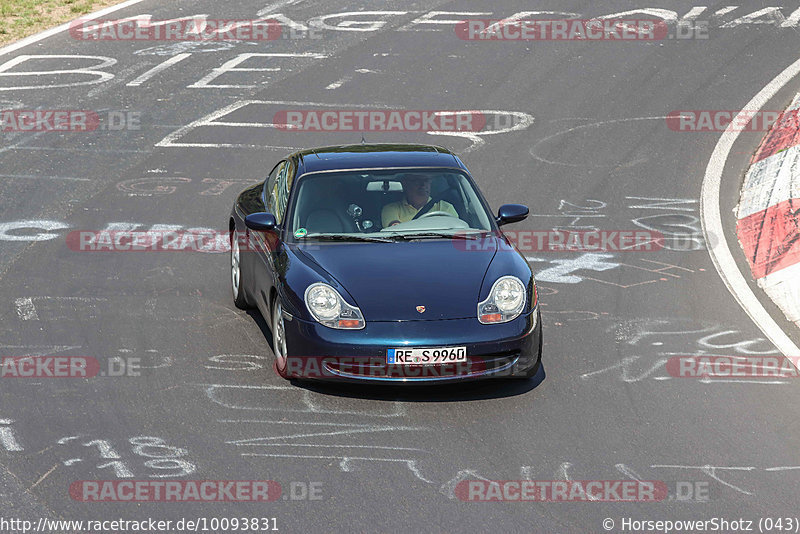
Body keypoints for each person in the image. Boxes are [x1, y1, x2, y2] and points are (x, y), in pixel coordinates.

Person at [381, 173, 458, 228]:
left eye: (426, 180)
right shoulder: (391, 209)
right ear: (405, 184)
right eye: (417, 180)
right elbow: (395, 232)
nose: (423, 184)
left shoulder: (445, 208)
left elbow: (456, 232)